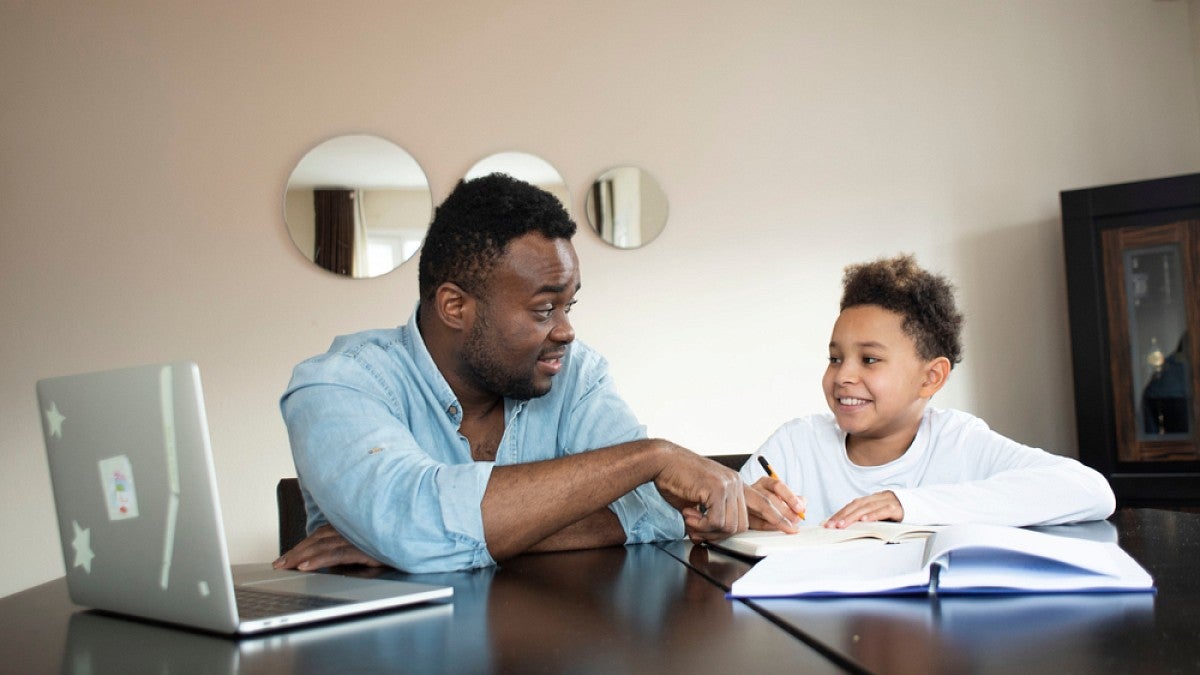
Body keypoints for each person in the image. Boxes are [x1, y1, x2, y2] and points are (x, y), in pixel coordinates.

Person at [275, 174, 797, 573]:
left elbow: (659, 513)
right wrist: (652, 457)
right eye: (545, 310)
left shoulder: (575, 372)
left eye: (570, 306)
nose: (567, 331)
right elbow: (413, 526)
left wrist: (411, 545)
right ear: (455, 306)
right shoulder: (338, 385)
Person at [744, 254, 1115, 530]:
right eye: (835, 358)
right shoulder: (796, 445)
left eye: (869, 359)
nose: (843, 375)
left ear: (931, 378)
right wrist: (741, 512)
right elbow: (711, 520)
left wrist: (905, 504)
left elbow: (1092, 490)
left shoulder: (959, 443)